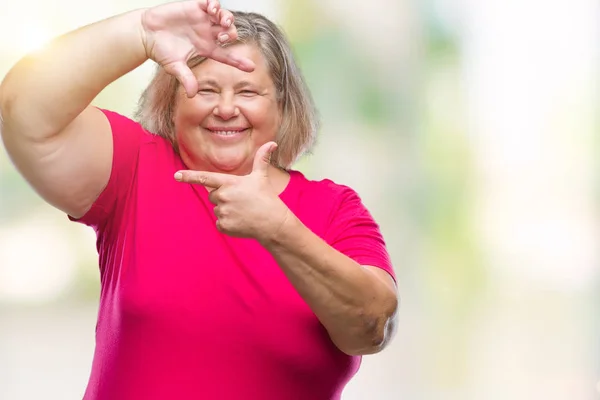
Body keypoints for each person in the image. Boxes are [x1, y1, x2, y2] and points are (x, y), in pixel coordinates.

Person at [0, 1, 399, 399]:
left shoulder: (333, 207)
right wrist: (140, 33)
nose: (226, 109)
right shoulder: (133, 167)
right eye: (205, 89)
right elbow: (22, 110)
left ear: (282, 107)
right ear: (171, 104)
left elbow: (371, 326)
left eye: (247, 91)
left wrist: (278, 229)